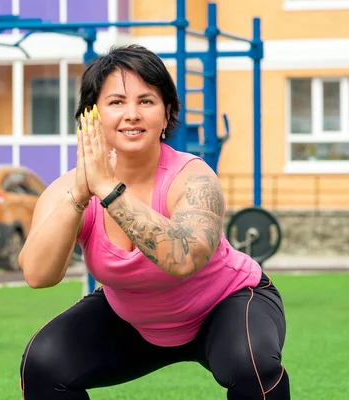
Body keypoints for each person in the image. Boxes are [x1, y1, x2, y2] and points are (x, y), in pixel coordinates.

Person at [17, 44, 289, 399]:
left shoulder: (192, 177)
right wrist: (81, 194)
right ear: (91, 116)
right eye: (116, 102)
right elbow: (38, 275)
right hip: (135, 319)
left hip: (225, 306)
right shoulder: (69, 188)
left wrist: (108, 189)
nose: (132, 114)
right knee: (42, 364)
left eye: (146, 101)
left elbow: (184, 259)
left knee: (250, 364)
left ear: (166, 115)